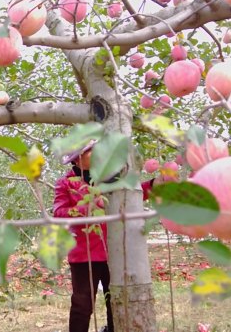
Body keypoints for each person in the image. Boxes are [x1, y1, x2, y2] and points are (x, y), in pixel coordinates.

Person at [53, 140, 162, 332]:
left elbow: (133, 193)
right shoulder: (65, 183)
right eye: (90, 151)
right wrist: (88, 208)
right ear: (77, 159)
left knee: (116, 300)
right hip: (83, 254)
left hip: (115, 251)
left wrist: (155, 185)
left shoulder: (111, 178)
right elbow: (59, 213)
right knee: (82, 303)